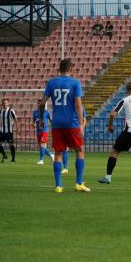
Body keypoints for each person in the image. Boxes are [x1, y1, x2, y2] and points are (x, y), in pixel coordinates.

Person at [40, 58, 90, 193]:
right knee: (79, 150)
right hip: (71, 123)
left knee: (58, 153)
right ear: (71, 69)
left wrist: (40, 118)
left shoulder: (51, 82)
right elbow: (78, 104)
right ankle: (78, 183)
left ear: (59, 69)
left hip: (57, 123)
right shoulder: (75, 83)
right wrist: (80, 124)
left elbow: (42, 102)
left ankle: (58, 186)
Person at [61, 108, 86, 174]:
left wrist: (82, 128)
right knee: (65, 149)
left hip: (77, 130)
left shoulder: (81, 108)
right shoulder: (68, 107)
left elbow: (84, 120)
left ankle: (80, 172)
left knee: (79, 150)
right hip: (68, 129)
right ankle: (65, 168)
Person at [32, 99, 54, 164]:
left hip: (45, 130)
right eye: (38, 103)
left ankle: (41, 160)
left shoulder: (46, 112)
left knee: (42, 144)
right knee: (42, 146)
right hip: (38, 131)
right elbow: (33, 121)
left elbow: (51, 120)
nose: (39, 104)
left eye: (40, 103)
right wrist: (33, 124)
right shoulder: (35, 112)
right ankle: (51, 155)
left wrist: (54, 128)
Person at [0, 98, 17, 163]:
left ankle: (13, 159)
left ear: (8, 103)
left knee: (11, 145)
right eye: (3, 103)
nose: (4, 104)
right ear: (2, 103)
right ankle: (4, 155)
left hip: (9, 131)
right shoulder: (0, 111)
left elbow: (15, 119)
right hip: (2, 131)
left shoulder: (11, 110)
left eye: (6, 103)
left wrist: (17, 128)